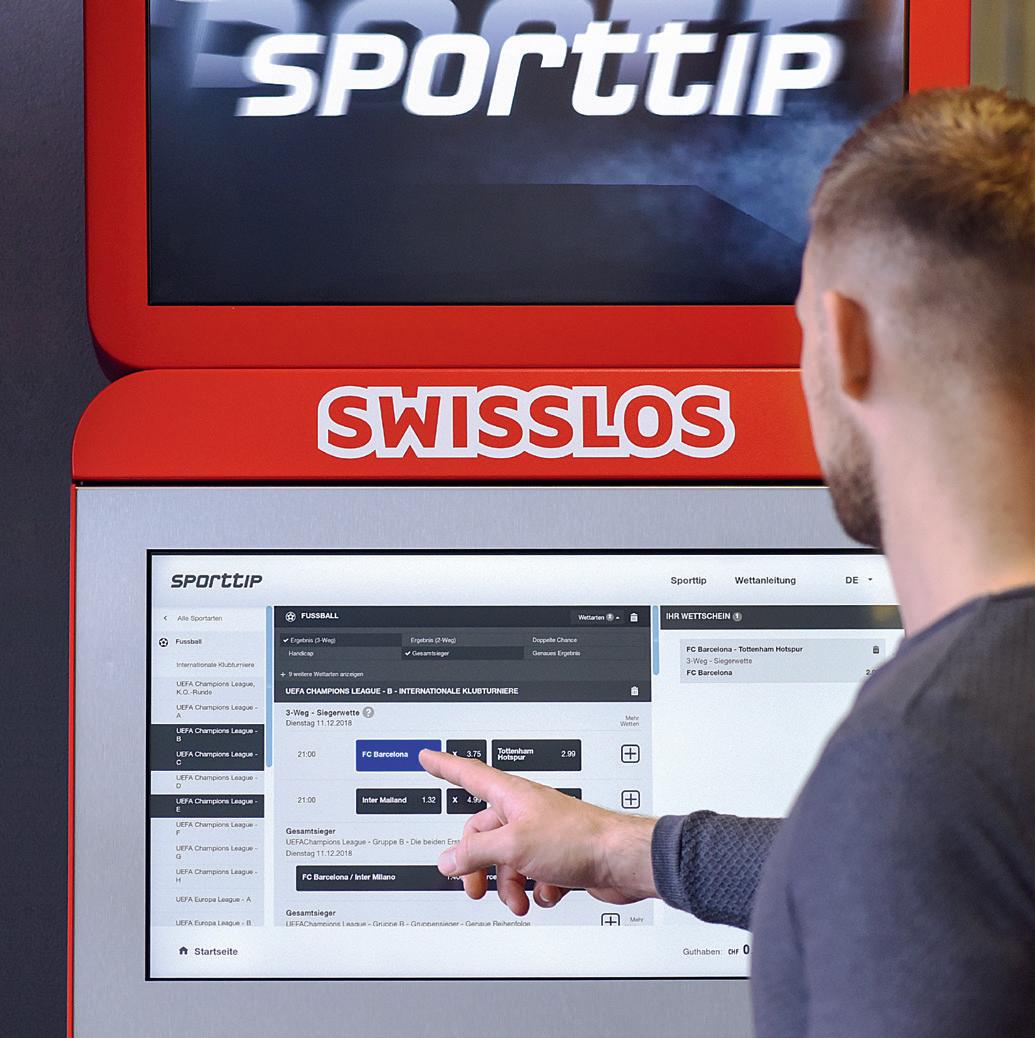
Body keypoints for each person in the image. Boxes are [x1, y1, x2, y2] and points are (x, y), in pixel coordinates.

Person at [420, 86, 1035, 1037]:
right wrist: (633, 850)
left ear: (846, 339)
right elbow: (946, 867)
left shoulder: (928, 748)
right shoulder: (962, 763)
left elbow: (926, 841)